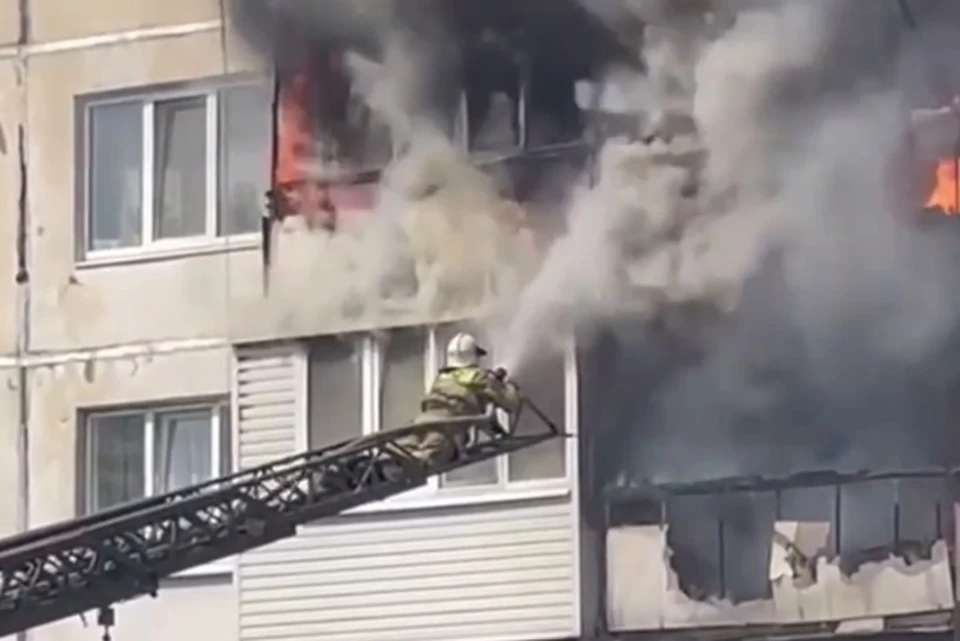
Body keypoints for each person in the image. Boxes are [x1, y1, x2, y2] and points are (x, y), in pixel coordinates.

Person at [399, 332, 521, 466]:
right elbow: (511, 403)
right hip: (448, 427)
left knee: (404, 450)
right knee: (429, 456)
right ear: (473, 356)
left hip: (421, 421)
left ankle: (391, 461)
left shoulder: (442, 377)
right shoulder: (481, 377)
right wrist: (510, 386)